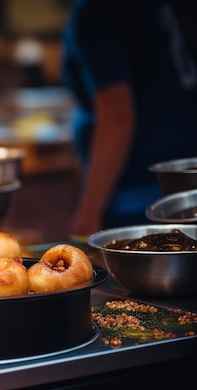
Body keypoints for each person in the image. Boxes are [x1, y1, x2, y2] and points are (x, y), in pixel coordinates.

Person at [61, 0, 197, 239]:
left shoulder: (96, 12)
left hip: (138, 193)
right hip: (180, 179)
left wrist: (88, 215)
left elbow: (117, 116)